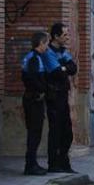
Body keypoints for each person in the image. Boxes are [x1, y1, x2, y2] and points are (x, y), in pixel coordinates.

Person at [44, 22, 78, 173]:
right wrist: (63, 68)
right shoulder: (48, 52)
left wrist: (64, 68)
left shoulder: (63, 51)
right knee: (55, 131)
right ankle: (54, 163)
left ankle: (64, 162)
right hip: (53, 95)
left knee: (67, 132)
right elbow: (56, 72)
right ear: (56, 36)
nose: (67, 37)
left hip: (63, 95)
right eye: (64, 35)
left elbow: (73, 68)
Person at [21, 32, 50, 176]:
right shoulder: (34, 58)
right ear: (41, 43)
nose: (47, 46)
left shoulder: (33, 57)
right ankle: (30, 165)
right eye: (46, 43)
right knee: (34, 133)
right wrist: (43, 90)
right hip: (34, 99)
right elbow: (32, 79)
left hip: (33, 98)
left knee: (35, 133)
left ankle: (32, 163)